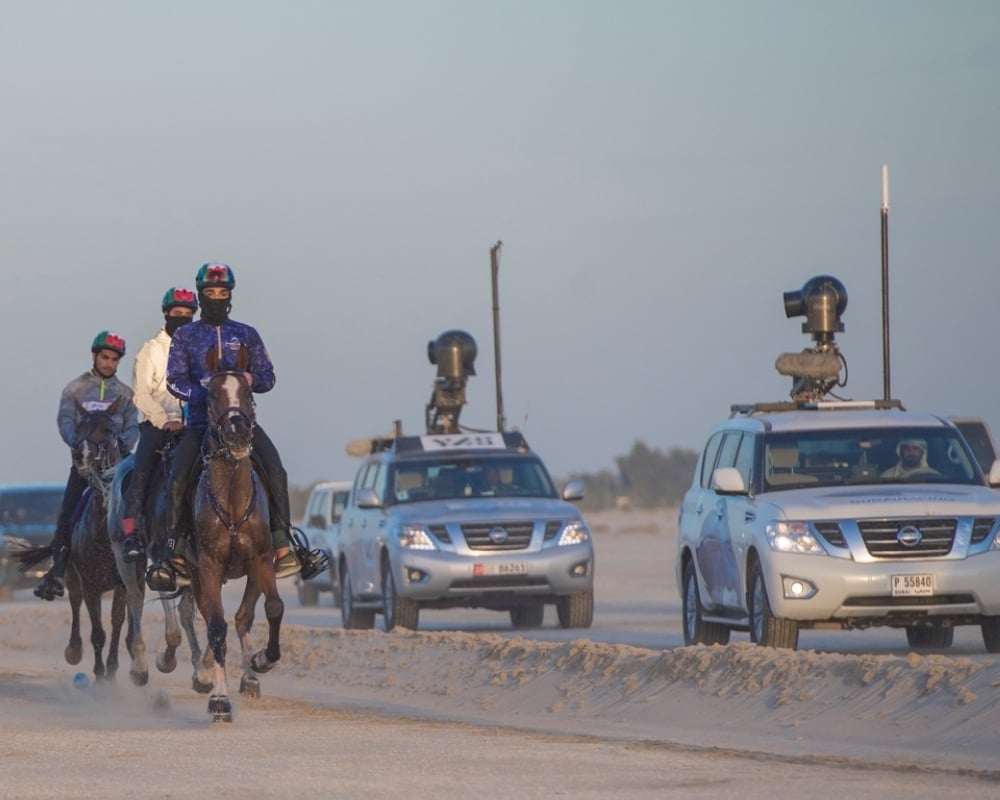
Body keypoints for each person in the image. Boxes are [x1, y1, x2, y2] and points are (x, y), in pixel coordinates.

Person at [145, 262, 324, 592]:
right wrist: (208, 389)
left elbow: (268, 376)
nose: (216, 298)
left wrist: (250, 379)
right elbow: (174, 381)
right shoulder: (186, 336)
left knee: (276, 468)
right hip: (201, 425)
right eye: (210, 293)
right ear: (202, 296)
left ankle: (286, 545)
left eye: (222, 293)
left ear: (230, 296)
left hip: (242, 423)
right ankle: (175, 552)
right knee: (179, 476)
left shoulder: (246, 334)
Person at [35, 331, 139, 601]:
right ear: (94, 356)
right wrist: (81, 446)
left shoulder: (126, 395)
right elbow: (65, 423)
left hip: (116, 470)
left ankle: (138, 554)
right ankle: (56, 572)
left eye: (114, 359)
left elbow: (132, 429)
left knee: (134, 507)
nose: (109, 363)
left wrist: (120, 447)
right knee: (68, 513)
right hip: (84, 468)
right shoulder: (75, 389)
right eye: (105, 357)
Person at [120, 287, 199, 561]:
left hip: (193, 425)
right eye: (178, 314)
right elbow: (141, 394)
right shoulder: (150, 351)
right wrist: (165, 420)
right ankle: (132, 535)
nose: (183, 319)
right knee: (140, 475)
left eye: (189, 315)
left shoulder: (198, 348)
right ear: (166, 314)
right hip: (158, 426)